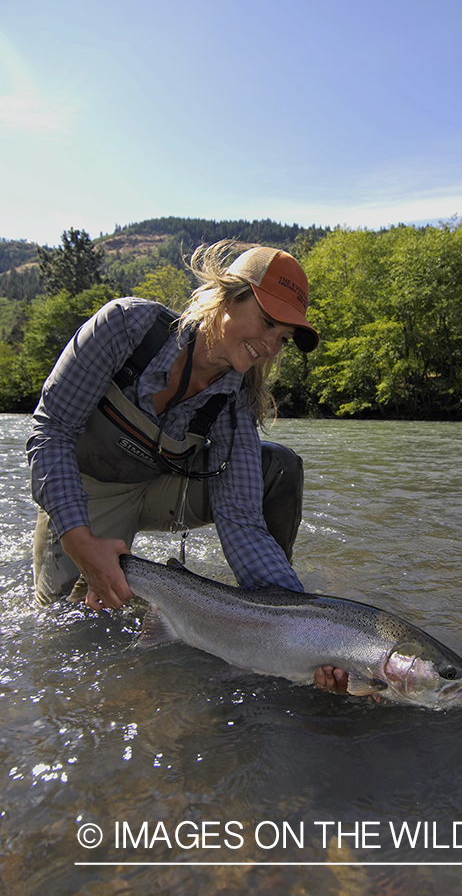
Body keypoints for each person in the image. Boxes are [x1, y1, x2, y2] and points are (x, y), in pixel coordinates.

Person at [27, 240, 347, 695]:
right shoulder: (125, 326)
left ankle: (265, 618)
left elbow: (240, 517)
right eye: (269, 323)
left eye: (284, 339)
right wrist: (78, 539)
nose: (272, 346)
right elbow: (50, 430)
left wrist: (304, 630)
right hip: (89, 489)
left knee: (278, 466)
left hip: (164, 491)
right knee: (62, 623)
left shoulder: (237, 400)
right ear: (227, 295)